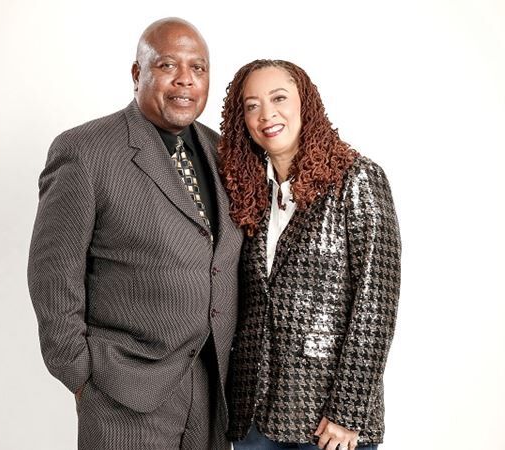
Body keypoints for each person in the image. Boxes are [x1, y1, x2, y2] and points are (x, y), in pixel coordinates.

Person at [27, 17, 242, 450]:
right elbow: (53, 273)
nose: (185, 79)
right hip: (123, 393)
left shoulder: (224, 153)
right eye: (167, 65)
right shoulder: (85, 151)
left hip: (212, 391)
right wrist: (80, 374)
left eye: (198, 68)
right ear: (137, 72)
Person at [217, 60, 401, 450]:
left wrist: (348, 411)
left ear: (306, 103)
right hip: (254, 415)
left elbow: (376, 304)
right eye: (252, 105)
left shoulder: (357, 179)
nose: (266, 115)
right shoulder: (249, 192)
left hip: (329, 422)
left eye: (279, 98)